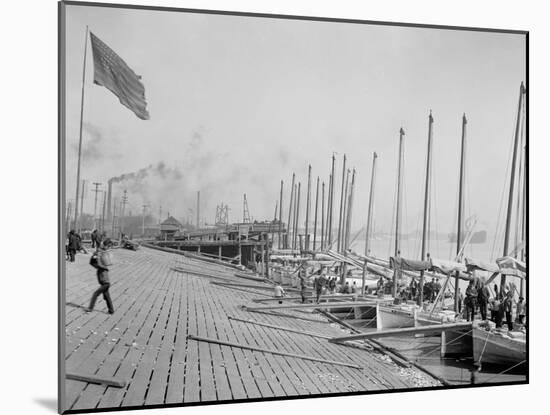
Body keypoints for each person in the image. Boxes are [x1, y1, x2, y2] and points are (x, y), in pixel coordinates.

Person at [86, 239, 115, 314]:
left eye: (110, 247)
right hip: (104, 279)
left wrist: (102, 267)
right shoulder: (100, 252)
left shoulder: (102, 252)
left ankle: (90, 308)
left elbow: (97, 263)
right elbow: (94, 263)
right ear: (106, 245)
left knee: (96, 294)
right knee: (106, 296)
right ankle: (111, 310)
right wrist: (96, 257)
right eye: (109, 246)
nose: (109, 248)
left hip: (105, 281)